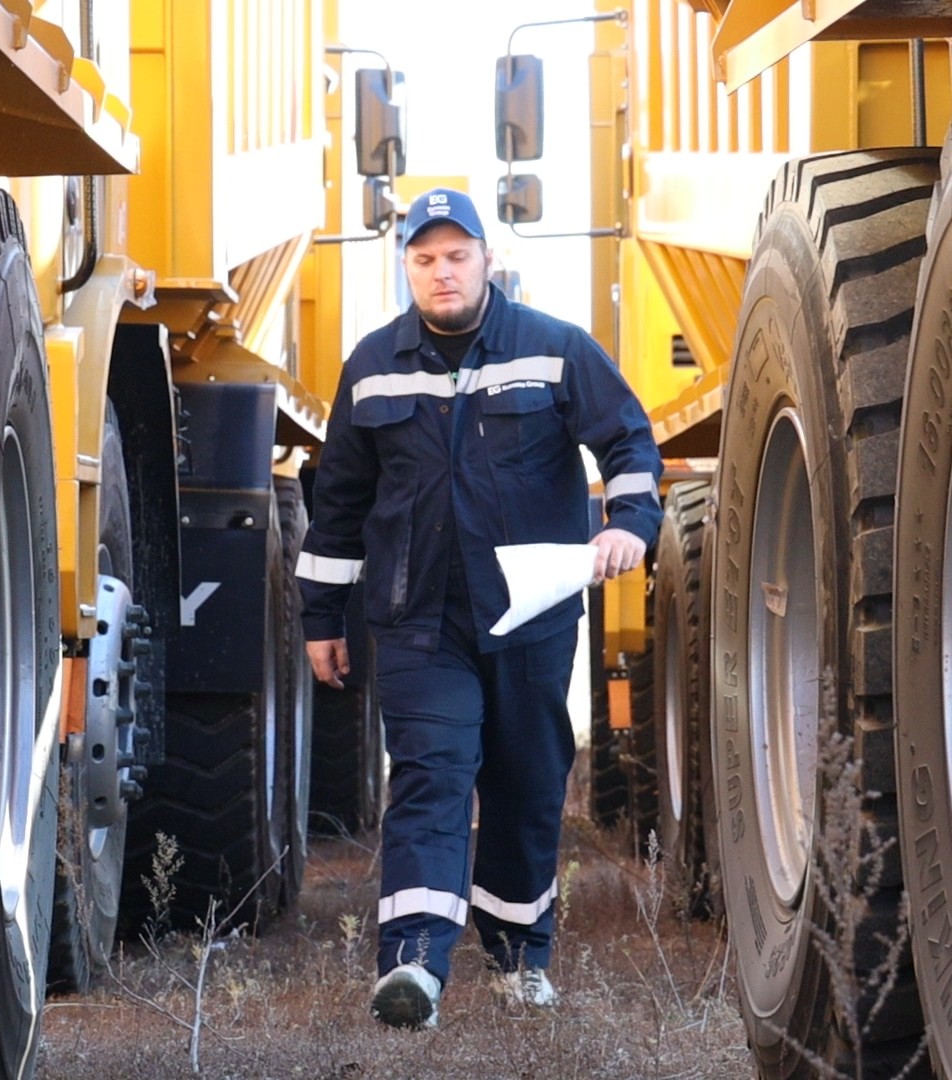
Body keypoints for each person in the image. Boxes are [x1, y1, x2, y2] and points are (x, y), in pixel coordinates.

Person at [297, 188, 664, 1030]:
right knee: (430, 778)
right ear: (406, 267)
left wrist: (629, 524)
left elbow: (628, 441)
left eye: (456, 256)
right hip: (419, 621)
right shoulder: (372, 366)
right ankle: (413, 968)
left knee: (527, 785)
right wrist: (322, 619)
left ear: (486, 259)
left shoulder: (554, 349)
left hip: (531, 617)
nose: (442, 272)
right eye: (425, 259)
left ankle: (519, 959)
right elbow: (339, 503)